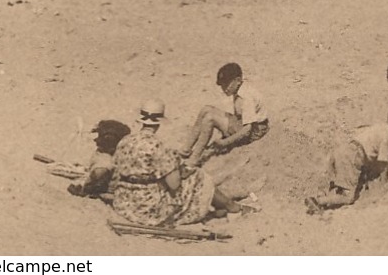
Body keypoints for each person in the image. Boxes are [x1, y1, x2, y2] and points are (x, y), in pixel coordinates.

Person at [113, 100, 247, 227]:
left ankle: (223, 207)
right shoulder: (158, 146)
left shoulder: (124, 141)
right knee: (197, 176)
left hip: (125, 202)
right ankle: (232, 208)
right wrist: (181, 171)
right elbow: (174, 184)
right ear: (159, 122)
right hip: (147, 207)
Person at [306, 106, 388, 212]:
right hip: (353, 156)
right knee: (349, 197)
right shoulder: (387, 137)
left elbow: (385, 150)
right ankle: (318, 201)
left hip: (342, 149)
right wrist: (383, 186)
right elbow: (382, 163)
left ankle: (321, 196)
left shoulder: (379, 126)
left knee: (333, 182)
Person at [179, 62, 270, 164]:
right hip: (242, 122)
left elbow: (247, 129)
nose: (224, 89)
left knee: (210, 118)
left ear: (238, 80)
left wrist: (226, 142)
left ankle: (193, 160)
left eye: (227, 84)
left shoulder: (246, 97)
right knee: (206, 109)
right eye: (222, 85)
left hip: (254, 130)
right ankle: (185, 150)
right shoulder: (240, 87)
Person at [69, 119, 132, 199]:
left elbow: (92, 186)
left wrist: (81, 189)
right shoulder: (114, 158)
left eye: (99, 137)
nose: (95, 140)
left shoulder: (103, 165)